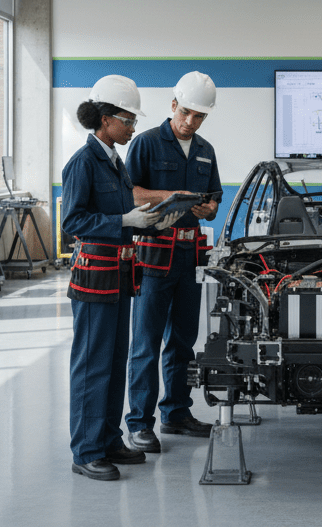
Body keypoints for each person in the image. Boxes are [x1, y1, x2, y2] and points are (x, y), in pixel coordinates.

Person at [62, 75, 180, 481]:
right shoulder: (83, 163)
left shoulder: (115, 162)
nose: (132, 128)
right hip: (95, 278)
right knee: (92, 365)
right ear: (105, 119)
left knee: (113, 363)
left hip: (120, 275)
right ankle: (86, 450)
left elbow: (125, 219)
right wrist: (121, 219)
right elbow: (73, 220)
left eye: (132, 121)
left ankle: (109, 439)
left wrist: (152, 224)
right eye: (127, 121)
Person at [124, 71, 223, 453]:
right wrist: (172, 194)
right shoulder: (146, 144)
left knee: (183, 339)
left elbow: (213, 203)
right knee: (146, 342)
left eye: (199, 116)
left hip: (188, 255)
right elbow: (130, 193)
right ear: (172, 106)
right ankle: (139, 422)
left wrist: (208, 206)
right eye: (186, 113)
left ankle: (177, 412)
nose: (190, 122)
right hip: (153, 256)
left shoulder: (205, 150)